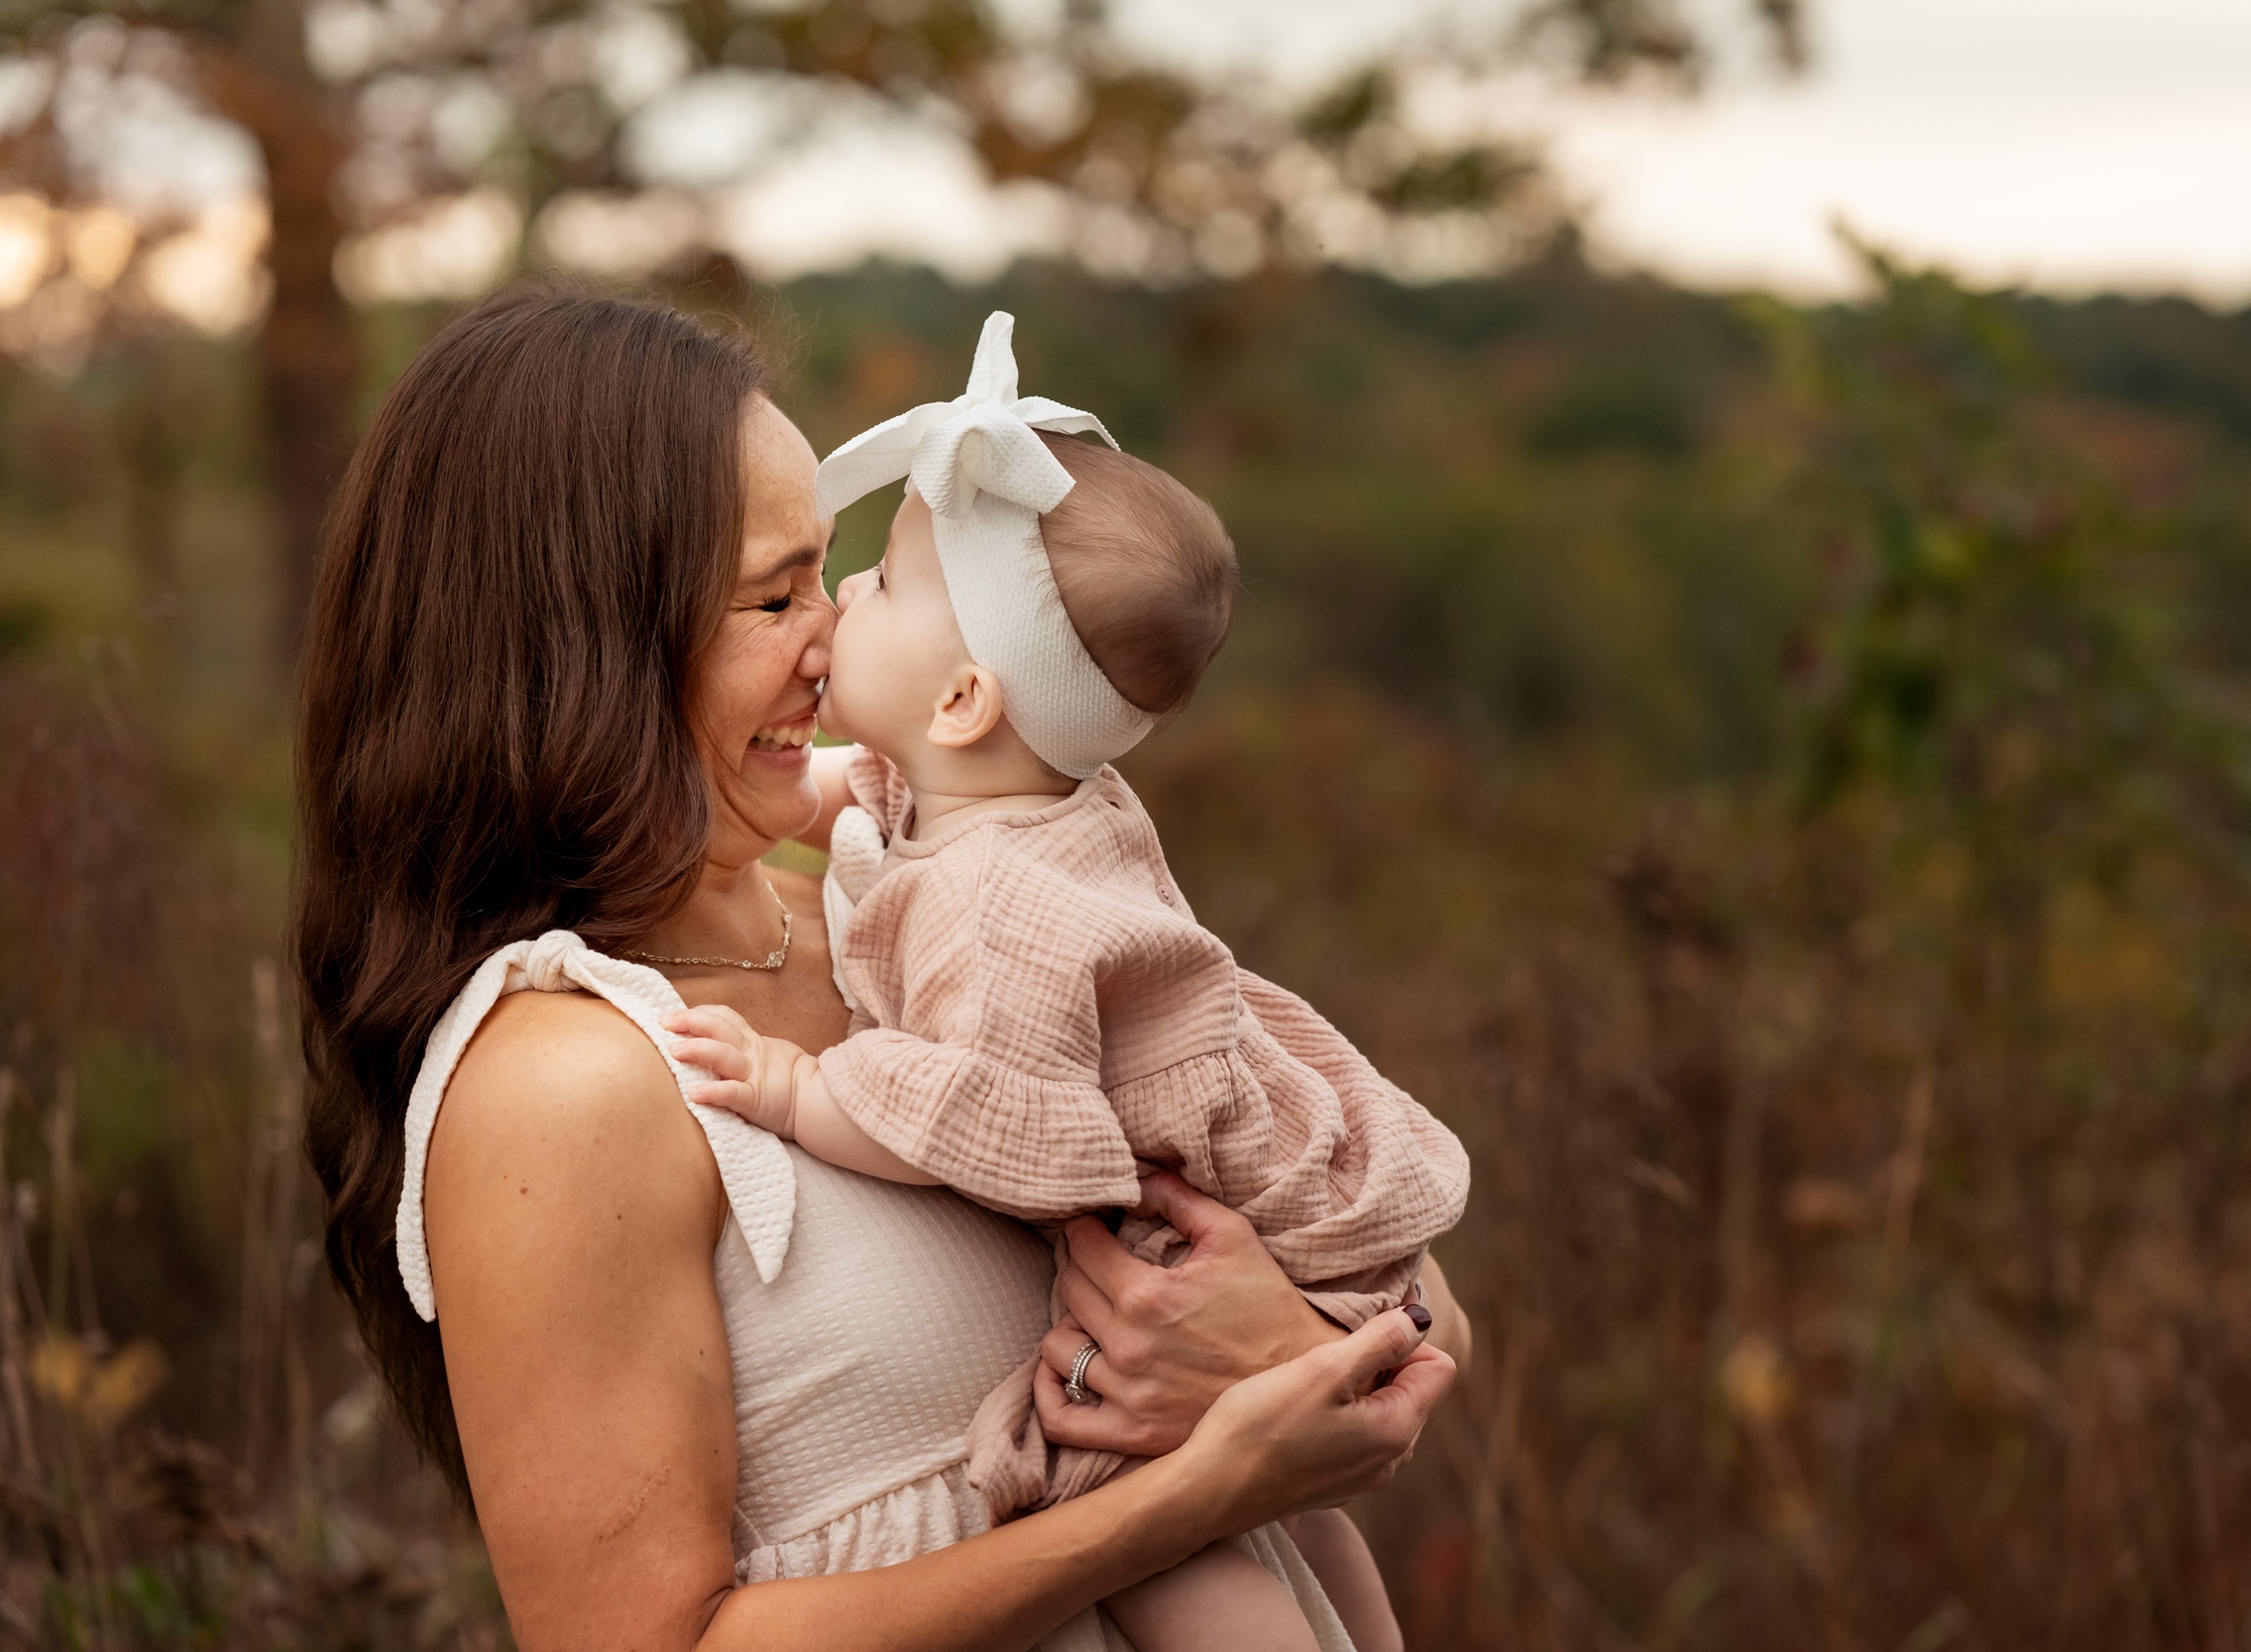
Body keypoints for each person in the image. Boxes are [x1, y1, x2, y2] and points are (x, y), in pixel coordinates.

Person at [293, 288, 1469, 1652]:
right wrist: (1192, 1494)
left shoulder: (930, 907)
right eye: (775, 592)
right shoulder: (568, 1079)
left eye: (843, 569)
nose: (832, 631)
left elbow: (1400, 1268)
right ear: (585, 639)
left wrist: (1276, 1349)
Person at [662, 312, 1469, 1652]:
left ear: (967, 701)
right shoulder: (1015, 798)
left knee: (1161, 1528)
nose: (844, 600)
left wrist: (805, 1090)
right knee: (1298, 1510)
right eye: (791, 591)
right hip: (1291, 1216)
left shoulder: (994, 909)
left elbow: (981, 1114)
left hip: (1175, 1234)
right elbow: (830, 797)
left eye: (880, 587)